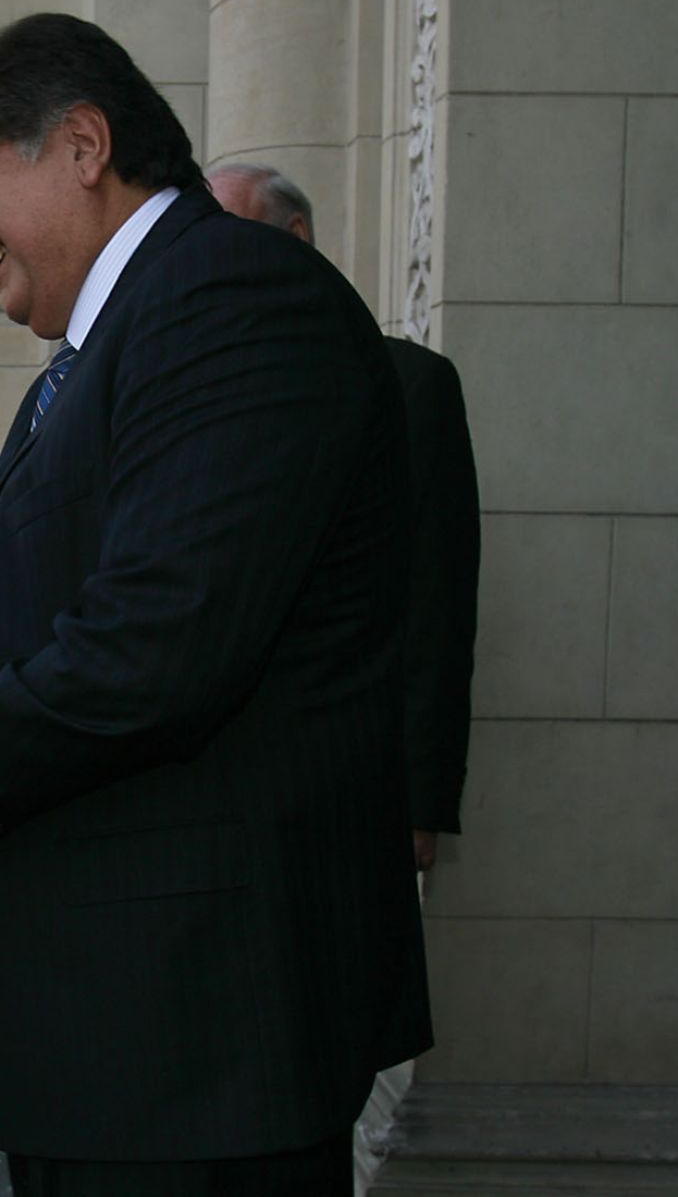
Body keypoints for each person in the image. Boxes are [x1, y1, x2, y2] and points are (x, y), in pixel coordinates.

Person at [0, 14, 430, 1194]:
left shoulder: (230, 300)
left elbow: (152, 653)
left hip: (194, 1047)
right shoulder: (121, 334)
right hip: (131, 1044)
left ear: (81, 143)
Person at [207, 160, 481, 871]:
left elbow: (436, 602)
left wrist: (419, 800)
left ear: (294, 237)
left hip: (350, 788)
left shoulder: (408, 386)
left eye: (226, 235)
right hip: (212, 797)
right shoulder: (197, 397)